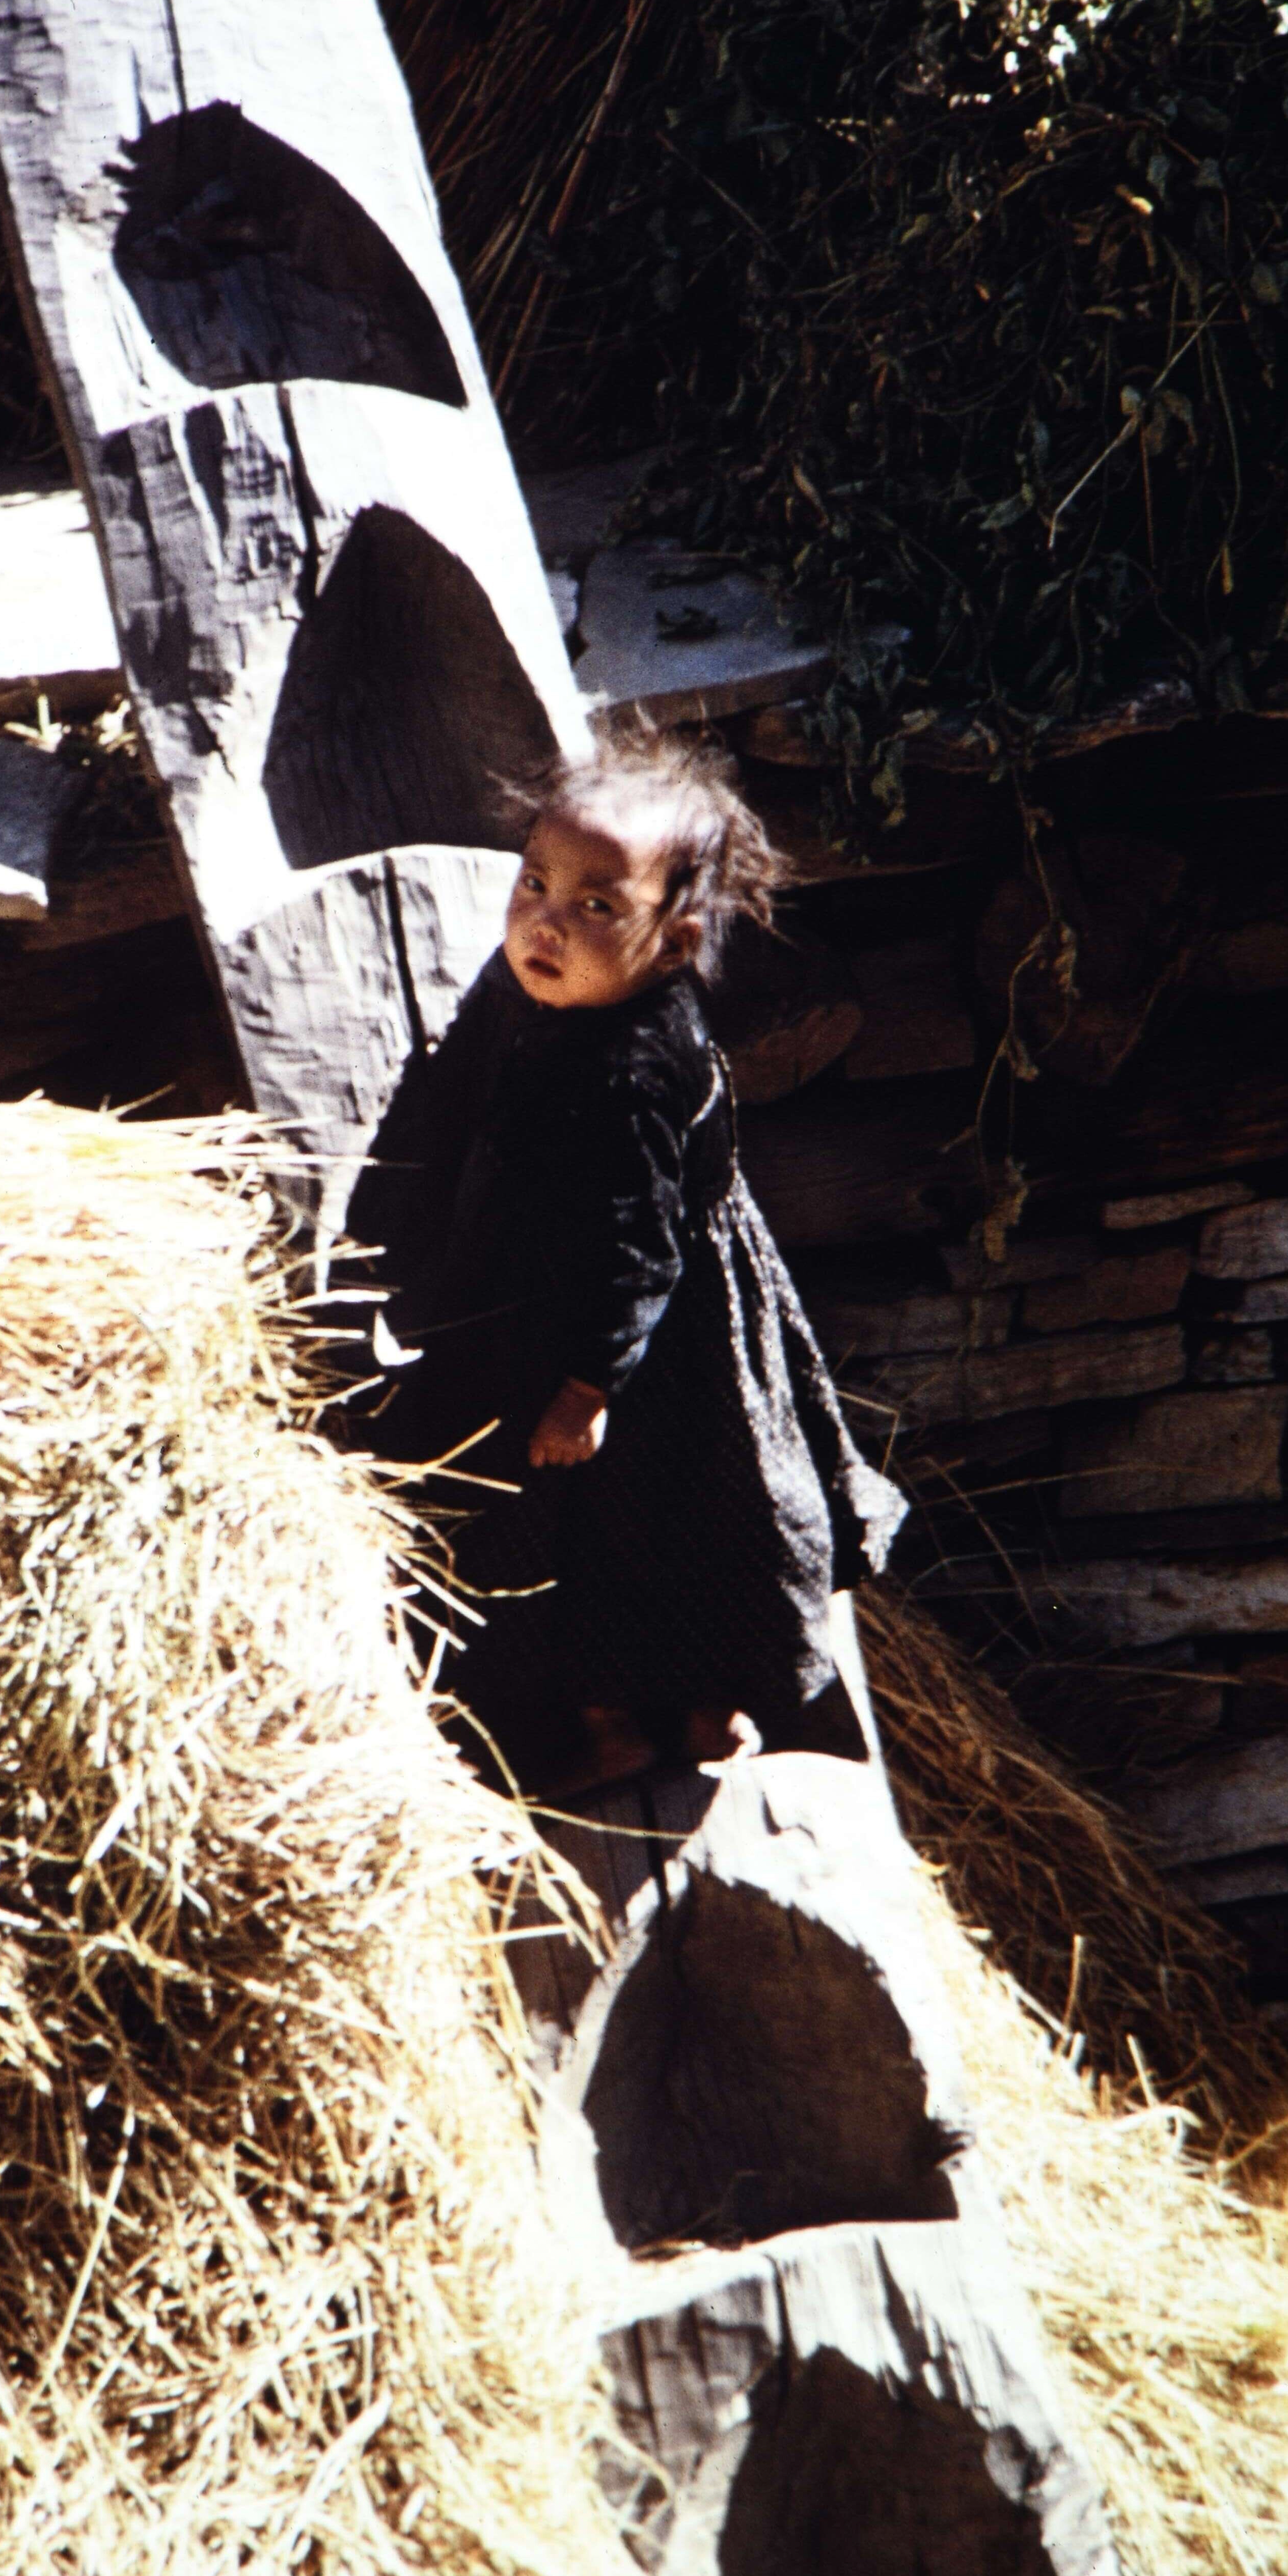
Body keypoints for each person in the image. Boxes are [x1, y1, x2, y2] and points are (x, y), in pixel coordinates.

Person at [345, 723, 906, 1799]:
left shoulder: (639, 1069)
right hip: (544, 1299)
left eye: (597, 906)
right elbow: (455, 1088)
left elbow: (639, 1254)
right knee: (575, 1530)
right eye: (536, 883)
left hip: (649, 1350)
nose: (547, 922)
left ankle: (674, 1715)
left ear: (677, 943)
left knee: (659, 1527)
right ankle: (626, 1710)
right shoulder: (533, 984)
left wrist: (587, 1388)